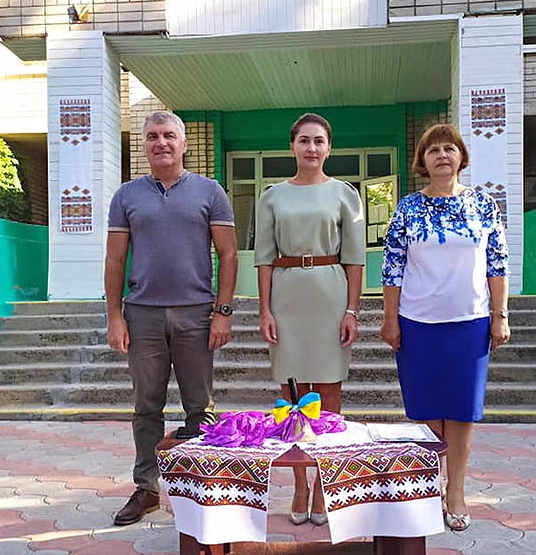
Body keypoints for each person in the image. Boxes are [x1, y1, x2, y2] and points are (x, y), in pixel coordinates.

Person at [105, 111, 238, 526]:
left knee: (201, 406)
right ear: (144, 145)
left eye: (168, 135)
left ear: (183, 143)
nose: (160, 143)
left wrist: (222, 312)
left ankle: (204, 489)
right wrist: (114, 316)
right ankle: (146, 488)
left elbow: (228, 254)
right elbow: (115, 259)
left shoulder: (210, 191)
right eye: (152, 136)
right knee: (146, 406)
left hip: (196, 314)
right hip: (142, 315)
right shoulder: (126, 196)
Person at [380, 123, 510, 532]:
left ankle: (456, 491)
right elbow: (393, 266)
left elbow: (497, 263)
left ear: (461, 157)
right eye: (433, 149)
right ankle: (431, 484)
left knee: (462, 409)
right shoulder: (407, 208)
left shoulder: (483, 205)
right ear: (423, 160)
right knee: (426, 409)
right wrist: (389, 318)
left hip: (469, 324)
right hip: (417, 323)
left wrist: (500, 315)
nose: (442, 155)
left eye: (449, 148)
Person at [254, 113, 365, 526]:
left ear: (329, 147)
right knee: (291, 397)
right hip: (286, 296)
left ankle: (323, 486)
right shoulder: (272, 197)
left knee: (329, 396)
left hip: (330, 293)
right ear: (292, 146)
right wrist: (265, 309)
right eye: (304, 140)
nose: (312, 148)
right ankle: (300, 484)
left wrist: (352, 310)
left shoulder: (345, 194)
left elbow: (355, 259)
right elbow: (264, 258)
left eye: (319, 141)